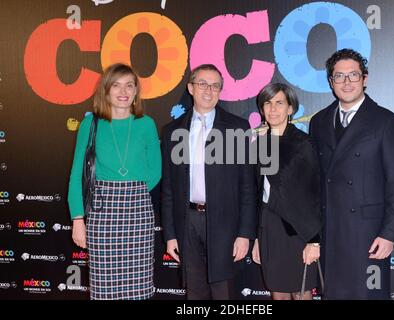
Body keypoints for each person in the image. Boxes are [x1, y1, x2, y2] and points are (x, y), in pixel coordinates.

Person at [309, 49, 394, 299]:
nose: (346, 82)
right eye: (339, 76)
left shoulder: (386, 121)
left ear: (365, 78)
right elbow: (314, 182)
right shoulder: (319, 121)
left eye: (353, 75)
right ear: (331, 82)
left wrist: (389, 234)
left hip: (368, 235)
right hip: (330, 232)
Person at [161, 64, 257, 300]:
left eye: (215, 86)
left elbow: (248, 186)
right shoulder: (173, 130)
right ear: (191, 88)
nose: (209, 90)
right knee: (194, 292)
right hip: (187, 222)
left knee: (223, 292)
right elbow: (168, 189)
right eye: (202, 84)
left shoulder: (238, 128)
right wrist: (171, 234)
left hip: (225, 223)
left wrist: (245, 233)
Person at [68, 63, 162, 300]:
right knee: (104, 288)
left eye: (129, 85)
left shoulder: (146, 124)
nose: (123, 91)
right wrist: (78, 219)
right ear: (106, 90)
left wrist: (133, 191)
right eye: (116, 85)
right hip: (102, 213)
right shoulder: (91, 124)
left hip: (138, 215)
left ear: (135, 92)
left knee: (138, 288)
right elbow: (77, 174)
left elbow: (155, 171)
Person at [251, 83, 322, 300]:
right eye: (268, 103)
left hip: (298, 229)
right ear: (262, 109)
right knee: (278, 293)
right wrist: (256, 237)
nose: (273, 109)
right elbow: (257, 192)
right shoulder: (259, 145)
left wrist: (314, 240)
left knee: (301, 293)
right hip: (269, 227)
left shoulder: (304, 143)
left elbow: (316, 193)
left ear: (290, 109)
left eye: (279, 103)